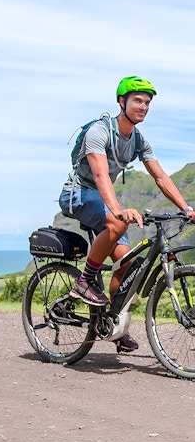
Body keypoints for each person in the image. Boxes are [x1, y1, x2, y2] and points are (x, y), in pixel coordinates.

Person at [58, 75, 195, 352]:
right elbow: (99, 175)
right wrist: (118, 211)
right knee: (116, 225)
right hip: (78, 195)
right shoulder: (100, 131)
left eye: (146, 103)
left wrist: (186, 208)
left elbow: (159, 176)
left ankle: (114, 328)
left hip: (101, 199)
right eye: (137, 101)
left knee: (128, 265)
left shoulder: (138, 139)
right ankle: (85, 282)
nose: (142, 106)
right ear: (122, 102)